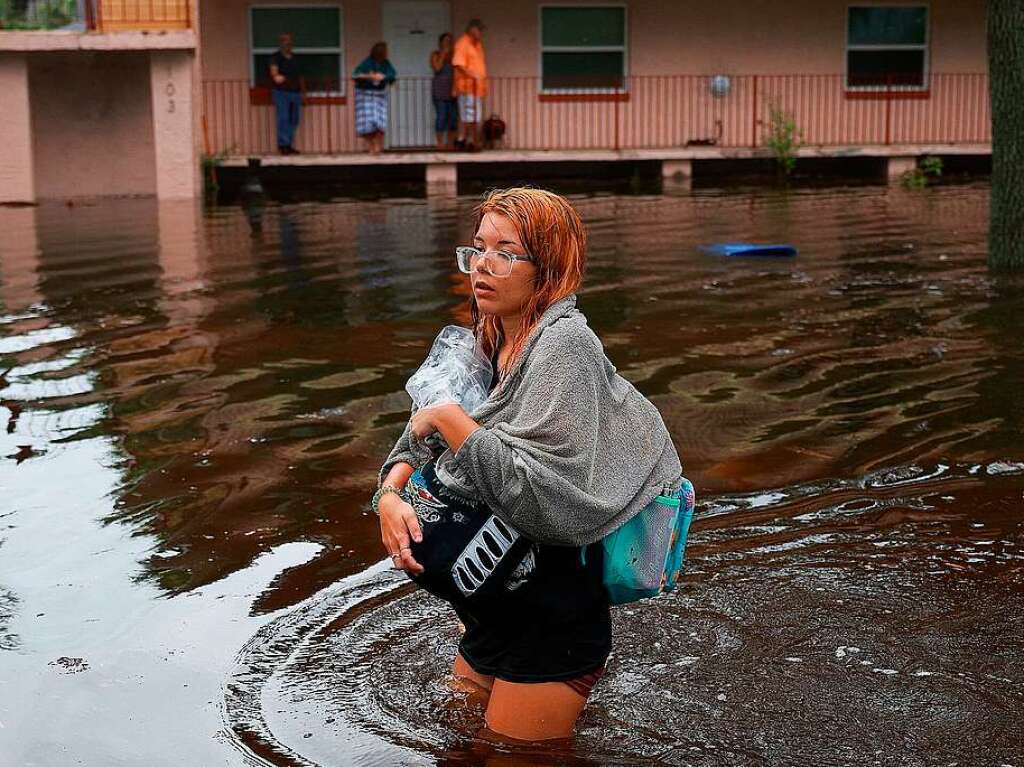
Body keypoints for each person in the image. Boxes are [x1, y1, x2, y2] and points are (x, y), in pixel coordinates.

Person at [375, 188, 683, 742]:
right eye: (476, 250)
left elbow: (547, 500)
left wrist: (450, 420)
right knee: (460, 742)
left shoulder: (565, 348)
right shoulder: (486, 336)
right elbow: (415, 434)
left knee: (515, 758)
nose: (482, 267)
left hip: (552, 615)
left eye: (506, 253)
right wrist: (389, 496)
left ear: (550, 269)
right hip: (491, 600)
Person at [352, 42, 397, 155]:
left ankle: (377, 146)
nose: (386, 54)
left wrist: (384, 77)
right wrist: (370, 76)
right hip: (365, 94)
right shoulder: (367, 63)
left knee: (379, 121)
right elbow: (355, 75)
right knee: (367, 122)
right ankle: (371, 147)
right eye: (385, 52)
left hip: (379, 95)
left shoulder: (386, 64)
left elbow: (392, 74)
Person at [451, 18, 487, 152]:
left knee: (474, 116)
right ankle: (467, 141)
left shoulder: (477, 45)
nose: (481, 33)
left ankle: (467, 140)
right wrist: (472, 75)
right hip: (467, 87)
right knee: (469, 116)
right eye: (480, 30)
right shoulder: (463, 43)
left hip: (477, 88)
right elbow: (458, 64)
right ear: (472, 29)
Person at [269, 33, 302, 155]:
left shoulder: (295, 58)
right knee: (283, 117)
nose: (287, 43)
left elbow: (300, 76)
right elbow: (273, 72)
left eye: (289, 41)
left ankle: (288, 144)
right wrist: (276, 76)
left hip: (295, 92)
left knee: (294, 119)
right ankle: (283, 145)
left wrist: (303, 93)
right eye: (284, 41)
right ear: (280, 43)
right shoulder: (275, 57)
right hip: (281, 92)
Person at [430, 32, 458, 151]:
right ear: (440, 42)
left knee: (453, 117)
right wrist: (443, 54)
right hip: (439, 90)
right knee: (441, 116)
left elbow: (457, 71)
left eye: (449, 40)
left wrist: (456, 88)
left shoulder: (455, 55)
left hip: (452, 90)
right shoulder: (435, 54)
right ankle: (440, 143)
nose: (447, 42)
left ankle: (450, 143)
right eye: (445, 40)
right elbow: (437, 68)